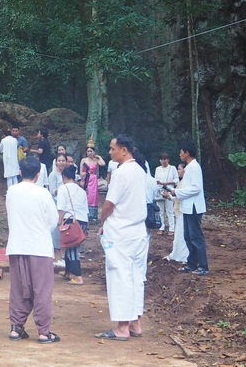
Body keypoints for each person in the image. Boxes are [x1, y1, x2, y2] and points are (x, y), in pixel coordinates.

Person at [95, 135, 149, 341]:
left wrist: (102, 219)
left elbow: (110, 203)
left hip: (121, 232)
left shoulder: (121, 172)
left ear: (124, 150)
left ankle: (122, 327)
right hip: (138, 232)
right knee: (136, 277)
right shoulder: (140, 171)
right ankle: (135, 322)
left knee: (120, 277)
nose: (110, 152)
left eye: (112, 148)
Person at [5, 155, 61, 344]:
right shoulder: (43, 193)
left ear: (20, 172)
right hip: (39, 247)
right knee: (42, 290)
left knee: (19, 289)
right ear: (38, 174)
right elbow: (53, 221)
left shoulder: (11, 191)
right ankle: (44, 332)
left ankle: (16, 327)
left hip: (16, 245)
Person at [165, 143, 209, 275]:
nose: (180, 154)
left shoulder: (194, 167)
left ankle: (203, 266)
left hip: (194, 206)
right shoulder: (190, 167)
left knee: (196, 237)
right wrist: (176, 192)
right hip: (187, 206)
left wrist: (176, 193)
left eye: (181, 152)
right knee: (188, 236)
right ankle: (191, 263)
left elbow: (196, 188)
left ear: (187, 153)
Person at [57, 165, 89, 285]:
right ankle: (68, 272)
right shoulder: (81, 190)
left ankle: (77, 276)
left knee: (71, 249)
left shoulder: (63, 188)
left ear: (63, 176)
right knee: (72, 247)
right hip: (82, 221)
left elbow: (61, 208)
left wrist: (60, 222)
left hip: (70, 221)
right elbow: (86, 209)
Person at [165, 162, 189, 264]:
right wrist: (169, 196)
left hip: (183, 211)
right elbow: (177, 197)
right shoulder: (182, 182)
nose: (178, 171)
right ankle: (177, 254)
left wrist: (171, 195)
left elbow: (180, 196)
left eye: (179, 169)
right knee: (178, 235)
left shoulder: (185, 183)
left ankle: (183, 256)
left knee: (181, 235)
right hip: (179, 211)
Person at [79, 144, 106, 222]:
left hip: (93, 179)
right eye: (88, 151)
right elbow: (81, 172)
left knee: (93, 196)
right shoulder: (84, 160)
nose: (89, 153)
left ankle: (93, 215)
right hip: (86, 178)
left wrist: (99, 157)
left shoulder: (96, 160)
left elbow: (103, 164)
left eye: (91, 151)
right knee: (86, 195)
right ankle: (85, 213)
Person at [154, 152, 179, 234]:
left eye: (165, 159)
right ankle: (161, 227)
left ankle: (172, 228)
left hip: (170, 191)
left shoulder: (172, 168)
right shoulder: (157, 169)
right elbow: (156, 180)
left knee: (170, 211)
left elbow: (176, 180)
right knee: (160, 211)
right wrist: (160, 184)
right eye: (161, 159)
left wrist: (166, 184)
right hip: (160, 191)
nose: (163, 161)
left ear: (168, 160)